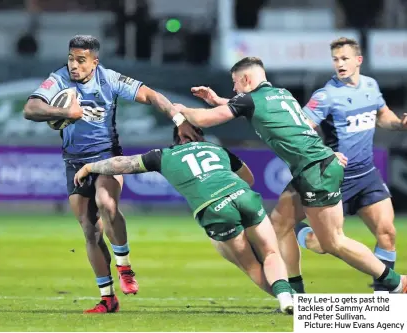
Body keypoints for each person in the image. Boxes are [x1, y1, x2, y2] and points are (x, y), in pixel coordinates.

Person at [173, 56, 407, 294]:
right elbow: (259, 109)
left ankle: (396, 282)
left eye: (235, 83)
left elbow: (204, 120)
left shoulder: (251, 100)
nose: (234, 88)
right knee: (279, 226)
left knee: (333, 242)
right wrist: (217, 100)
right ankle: (296, 294)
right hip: (315, 165)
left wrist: (178, 110)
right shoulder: (282, 94)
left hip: (316, 169)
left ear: (246, 78)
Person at [23, 35, 200, 313]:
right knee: (90, 231)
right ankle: (108, 299)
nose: (74, 65)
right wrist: (64, 112)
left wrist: (178, 119)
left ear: (94, 62)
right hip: (74, 161)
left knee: (107, 203)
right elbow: (30, 109)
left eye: (81, 60)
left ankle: (124, 265)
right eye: (71, 58)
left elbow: (151, 95)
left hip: (108, 156)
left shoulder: (110, 79)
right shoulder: (58, 79)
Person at [73, 126, 295, 314]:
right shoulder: (217, 149)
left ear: (176, 139)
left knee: (250, 265)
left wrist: (89, 167)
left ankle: (288, 301)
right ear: (201, 136)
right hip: (243, 196)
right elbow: (249, 178)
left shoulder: (164, 155)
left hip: (214, 209)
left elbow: (124, 164)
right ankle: (289, 297)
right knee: (271, 253)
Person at [280, 37, 407, 293]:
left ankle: (384, 297)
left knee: (387, 233)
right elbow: (299, 129)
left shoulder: (370, 86)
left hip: (366, 174)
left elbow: (382, 115)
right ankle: (299, 233)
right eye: (336, 59)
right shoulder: (326, 96)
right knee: (324, 244)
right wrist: (325, 152)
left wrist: (399, 124)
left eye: (345, 58)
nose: (340, 63)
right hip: (332, 177)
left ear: (358, 60)